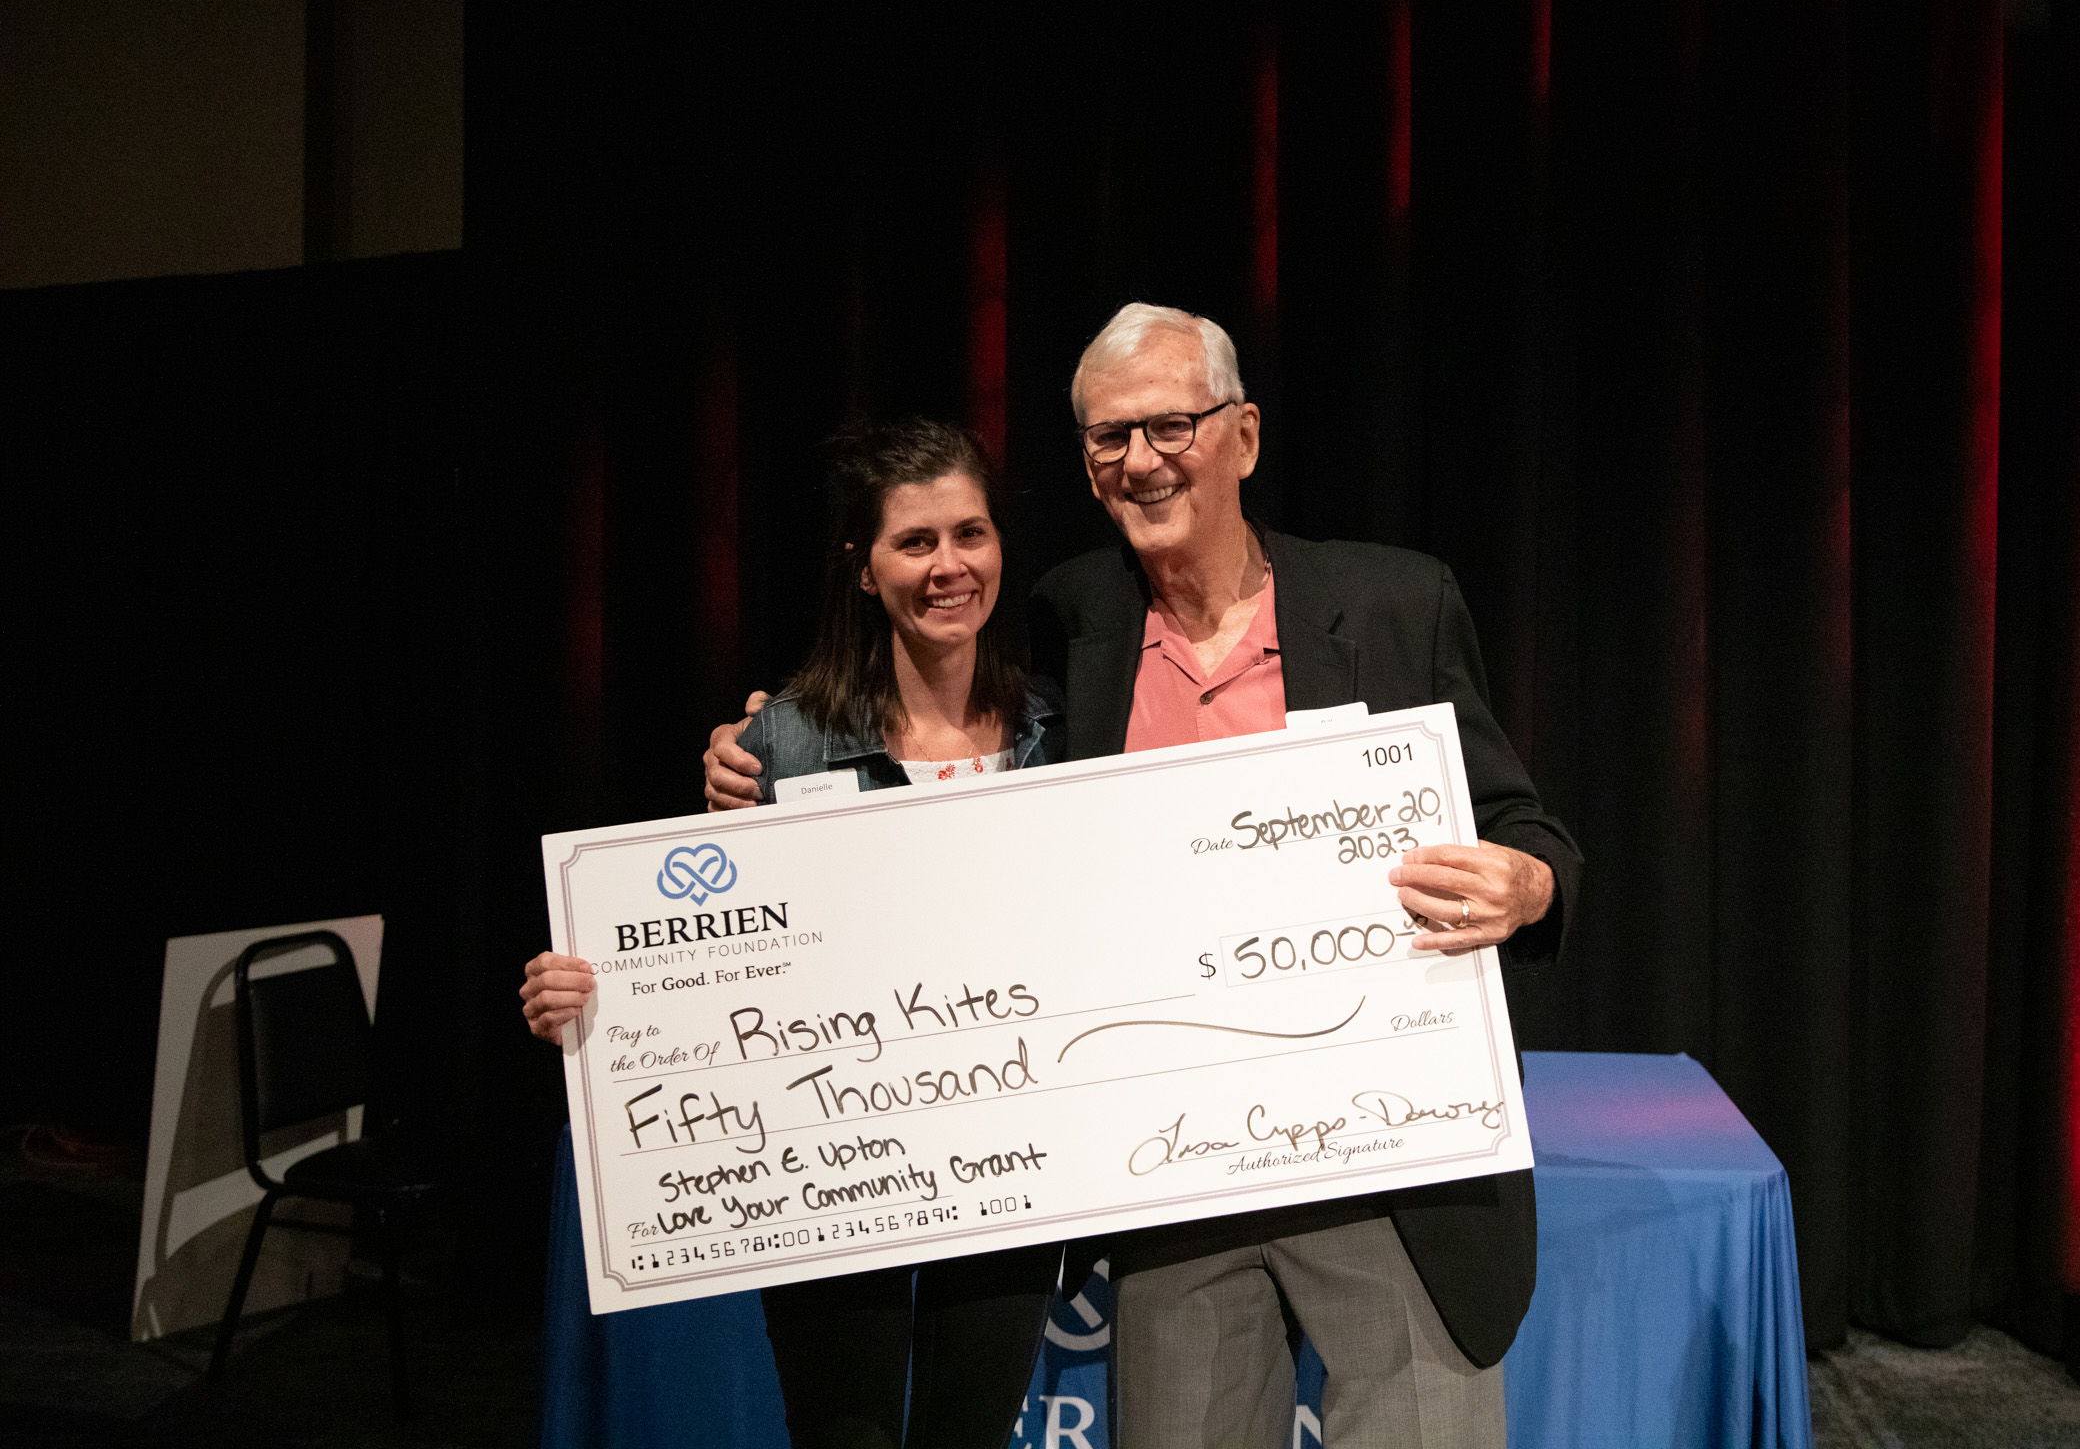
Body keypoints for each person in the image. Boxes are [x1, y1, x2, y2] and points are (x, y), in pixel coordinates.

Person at [706, 305, 1581, 1447]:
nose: (1141, 459)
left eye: (1171, 423)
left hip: (1389, 1177)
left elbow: (1523, 821)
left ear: (1245, 437)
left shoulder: (1390, 602)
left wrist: (1531, 884)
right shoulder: (1073, 622)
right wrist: (768, 739)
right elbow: (928, 690)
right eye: (1108, 437)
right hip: (1176, 1189)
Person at [523, 416, 1063, 1449]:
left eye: (971, 533)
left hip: (1009, 1157)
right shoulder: (784, 740)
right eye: (916, 542)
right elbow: (710, 955)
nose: (950, 565)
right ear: (864, 570)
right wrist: (589, 992)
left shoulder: (1060, 730)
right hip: (836, 1161)